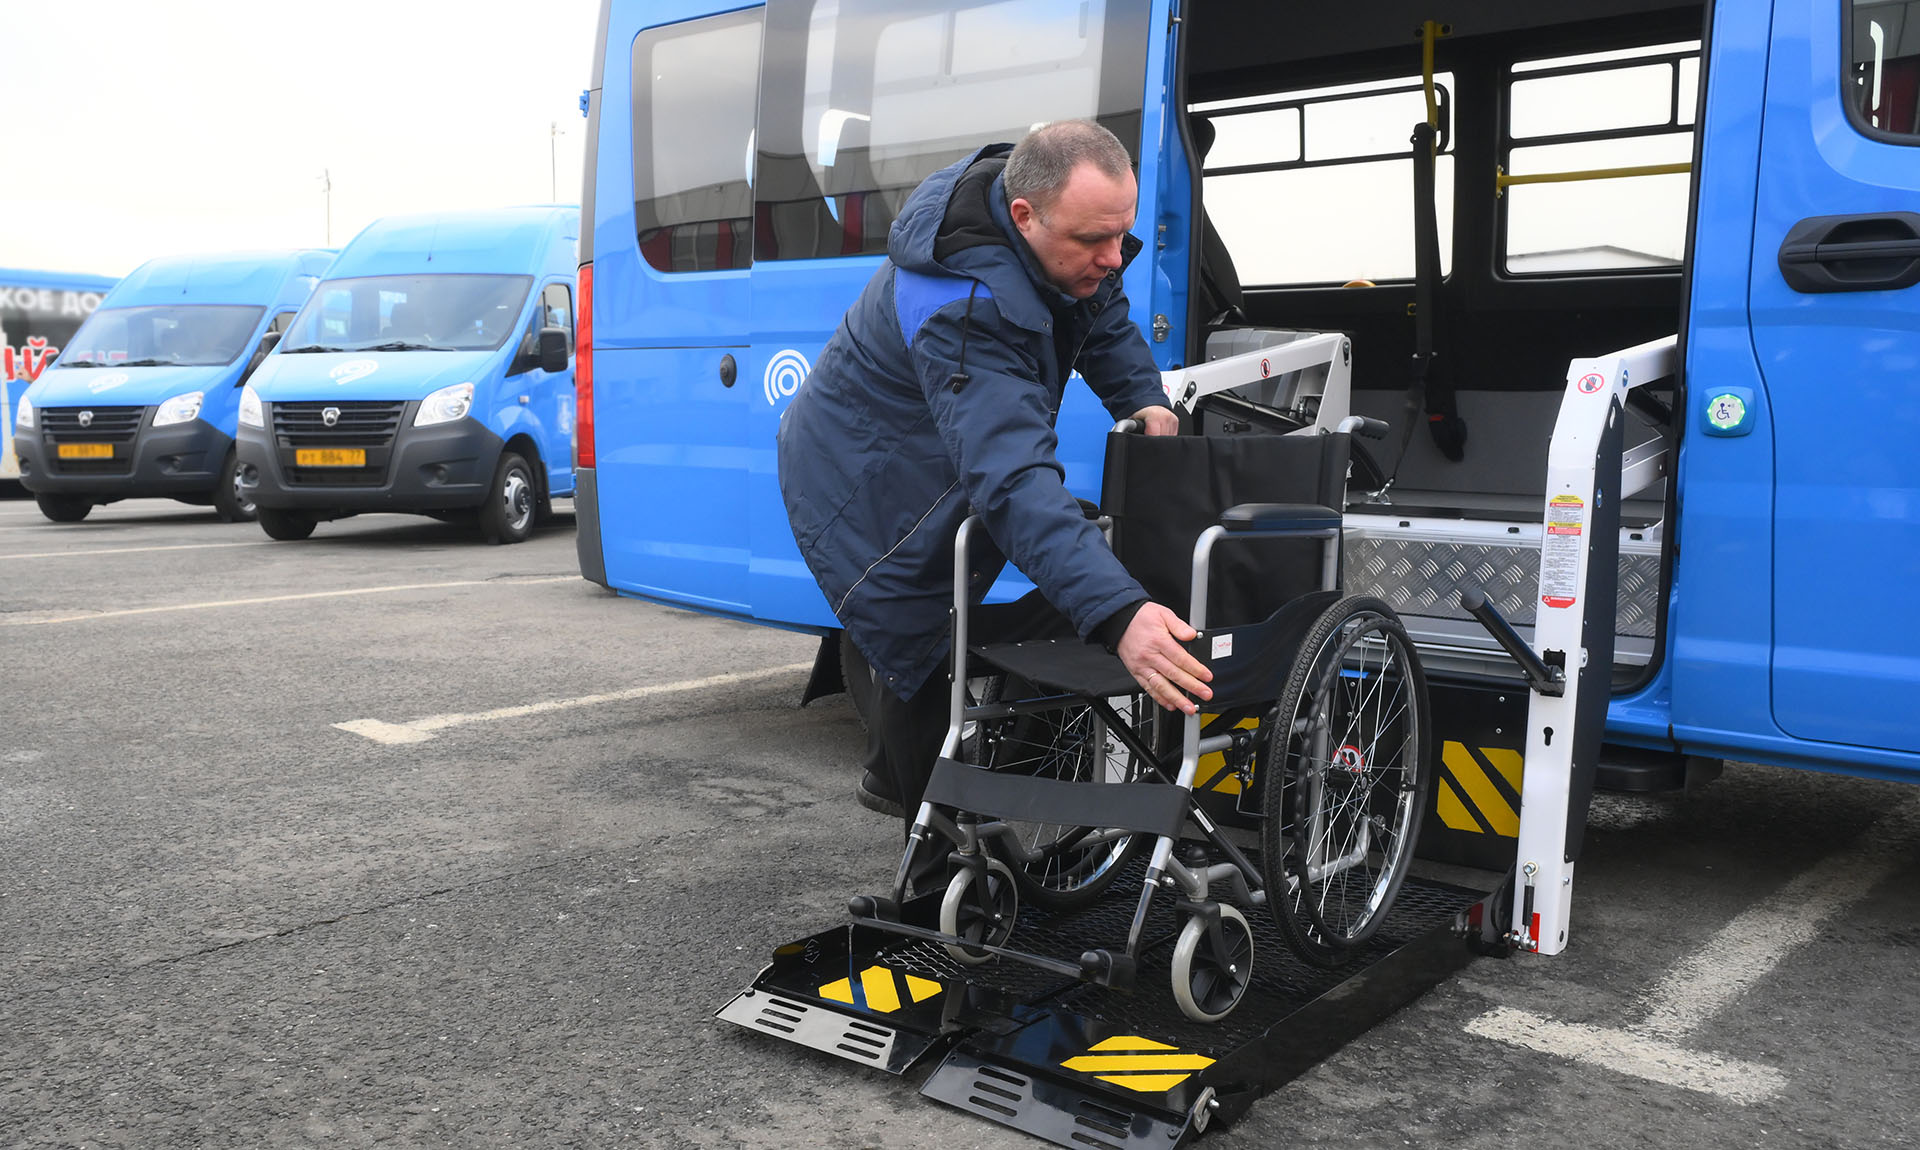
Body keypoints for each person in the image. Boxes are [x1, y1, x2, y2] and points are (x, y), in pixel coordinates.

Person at [776, 119, 1214, 839]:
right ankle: (934, 843)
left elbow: (1098, 310)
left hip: (924, 442)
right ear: (1023, 216)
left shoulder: (1056, 229)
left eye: (1122, 234)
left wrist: (1142, 396)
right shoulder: (964, 307)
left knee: (972, 603)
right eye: (1093, 240)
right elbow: (1013, 482)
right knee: (910, 632)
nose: (1113, 258)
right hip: (862, 476)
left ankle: (931, 791)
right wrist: (1119, 615)